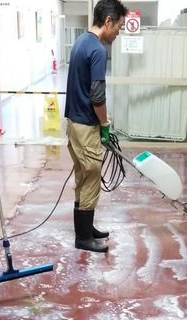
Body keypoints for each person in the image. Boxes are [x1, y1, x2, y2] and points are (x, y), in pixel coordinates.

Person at [64, 0, 127, 253]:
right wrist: (105, 124)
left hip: (74, 123)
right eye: (119, 27)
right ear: (108, 21)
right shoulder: (98, 50)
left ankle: (86, 229)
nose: (118, 33)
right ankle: (83, 239)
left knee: (83, 176)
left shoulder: (81, 41)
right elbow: (97, 96)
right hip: (86, 125)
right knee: (91, 177)